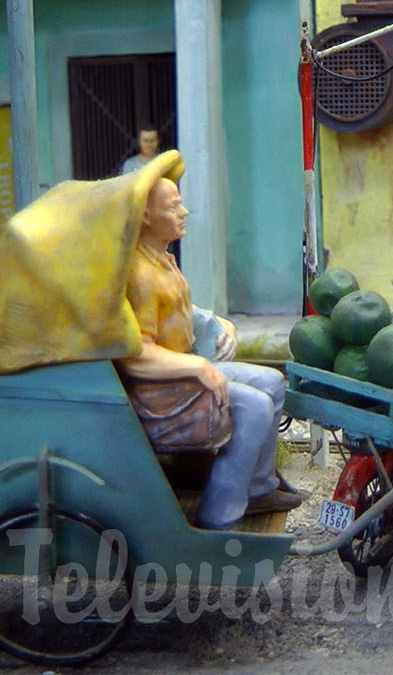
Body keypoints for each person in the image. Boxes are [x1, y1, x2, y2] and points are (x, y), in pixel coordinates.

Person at [115, 169, 303, 531]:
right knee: (255, 405)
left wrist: (222, 324)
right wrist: (201, 369)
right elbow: (137, 354)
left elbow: (184, 310)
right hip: (160, 393)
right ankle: (219, 514)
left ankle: (259, 487)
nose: (183, 212)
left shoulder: (163, 260)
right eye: (173, 207)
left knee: (273, 382)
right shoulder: (140, 275)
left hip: (182, 371)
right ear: (145, 217)